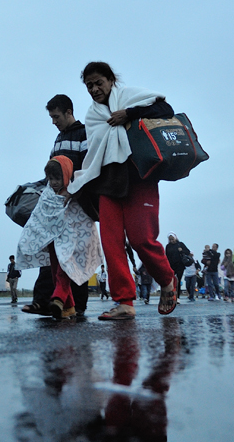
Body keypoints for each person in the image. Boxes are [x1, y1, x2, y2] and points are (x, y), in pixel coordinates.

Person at [67, 62, 179, 320]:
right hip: (109, 182)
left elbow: (166, 109)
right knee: (112, 244)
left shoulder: (130, 96)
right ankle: (124, 302)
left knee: (141, 240)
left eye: (99, 83)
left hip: (140, 177)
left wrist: (129, 113)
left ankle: (167, 280)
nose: (94, 89)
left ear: (111, 80)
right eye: (89, 86)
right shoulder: (92, 116)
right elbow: (94, 153)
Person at [22, 95, 92, 317]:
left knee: (75, 254)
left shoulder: (84, 134)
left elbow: (88, 168)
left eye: (56, 116)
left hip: (77, 203)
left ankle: (76, 305)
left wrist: (75, 192)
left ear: (68, 112)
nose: (53, 121)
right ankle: (44, 300)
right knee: (51, 251)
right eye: (51, 117)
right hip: (56, 202)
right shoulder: (59, 138)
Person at [16, 156, 102, 320]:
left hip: (70, 241)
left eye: (57, 178)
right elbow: (38, 217)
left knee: (64, 268)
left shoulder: (75, 193)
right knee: (55, 271)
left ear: (67, 174)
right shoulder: (47, 194)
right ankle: (68, 307)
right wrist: (34, 235)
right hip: (52, 241)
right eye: (51, 178)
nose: (54, 182)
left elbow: (82, 220)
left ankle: (58, 297)